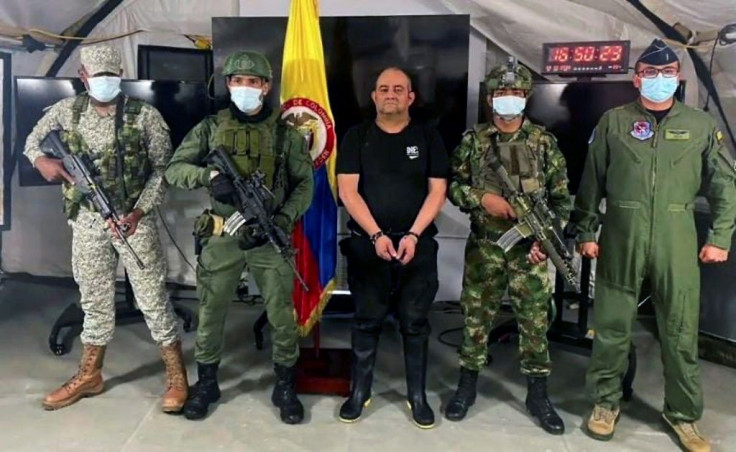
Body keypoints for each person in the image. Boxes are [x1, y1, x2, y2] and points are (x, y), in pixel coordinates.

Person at [572, 39, 736, 452]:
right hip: (622, 233)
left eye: (666, 74)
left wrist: (719, 238)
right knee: (611, 326)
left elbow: (724, 186)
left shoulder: (699, 126)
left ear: (677, 78)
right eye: (650, 73)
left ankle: (682, 415)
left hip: (676, 235)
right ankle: (606, 404)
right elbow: (591, 182)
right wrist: (587, 231)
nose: (658, 80)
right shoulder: (613, 122)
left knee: (680, 331)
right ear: (636, 78)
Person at [24, 45, 187, 413]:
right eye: (97, 78)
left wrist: (140, 211)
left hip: (133, 221)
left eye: (111, 77)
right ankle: (90, 375)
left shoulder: (145, 116)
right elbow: (32, 142)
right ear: (83, 77)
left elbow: (164, 170)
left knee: (152, 298)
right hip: (87, 220)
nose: (104, 83)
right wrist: (41, 162)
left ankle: (177, 376)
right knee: (94, 299)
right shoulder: (67, 111)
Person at [164, 50, 314, 424]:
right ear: (227, 84)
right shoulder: (210, 128)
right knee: (211, 310)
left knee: (282, 312)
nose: (245, 88)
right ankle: (208, 382)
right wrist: (210, 178)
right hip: (222, 234)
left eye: (253, 81)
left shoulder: (286, 135)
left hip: (269, 234)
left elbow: (305, 185)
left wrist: (282, 218)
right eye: (237, 81)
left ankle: (284, 384)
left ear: (266, 86)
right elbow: (174, 170)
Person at [445, 59, 571, 435]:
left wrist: (544, 242)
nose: (508, 100)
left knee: (534, 322)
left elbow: (562, 200)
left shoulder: (544, 144)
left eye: (515, 93)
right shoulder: (473, 142)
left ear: (526, 97)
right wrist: (481, 198)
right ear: (490, 98)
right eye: (501, 93)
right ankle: (467, 385)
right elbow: (452, 186)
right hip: (485, 247)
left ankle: (537, 393)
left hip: (529, 251)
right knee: (475, 319)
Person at [336, 67, 449, 429]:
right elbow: (348, 192)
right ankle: (359, 392)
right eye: (383, 88)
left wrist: (413, 235)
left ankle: (417, 396)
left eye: (398, 89)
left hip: (417, 245)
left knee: (415, 324)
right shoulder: (356, 137)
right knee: (366, 321)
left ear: (410, 98)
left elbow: (438, 192)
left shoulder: (428, 137)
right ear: (373, 96)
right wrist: (376, 235)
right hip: (369, 245)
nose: (390, 94)